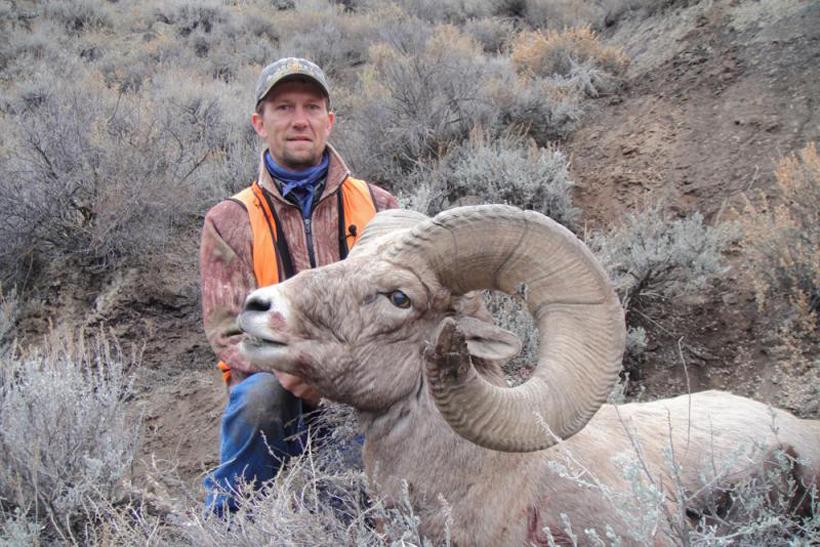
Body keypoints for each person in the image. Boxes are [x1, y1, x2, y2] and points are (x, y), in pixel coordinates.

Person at [199, 57, 398, 515]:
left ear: (329, 122)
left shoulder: (380, 206)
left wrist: (345, 377)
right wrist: (296, 367)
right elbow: (228, 333)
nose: (299, 120)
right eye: (284, 107)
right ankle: (228, 520)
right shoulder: (229, 219)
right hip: (277, 380)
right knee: (257, 401)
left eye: (311, 107)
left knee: (360, 500)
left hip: (363, 383)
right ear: (259, 122)